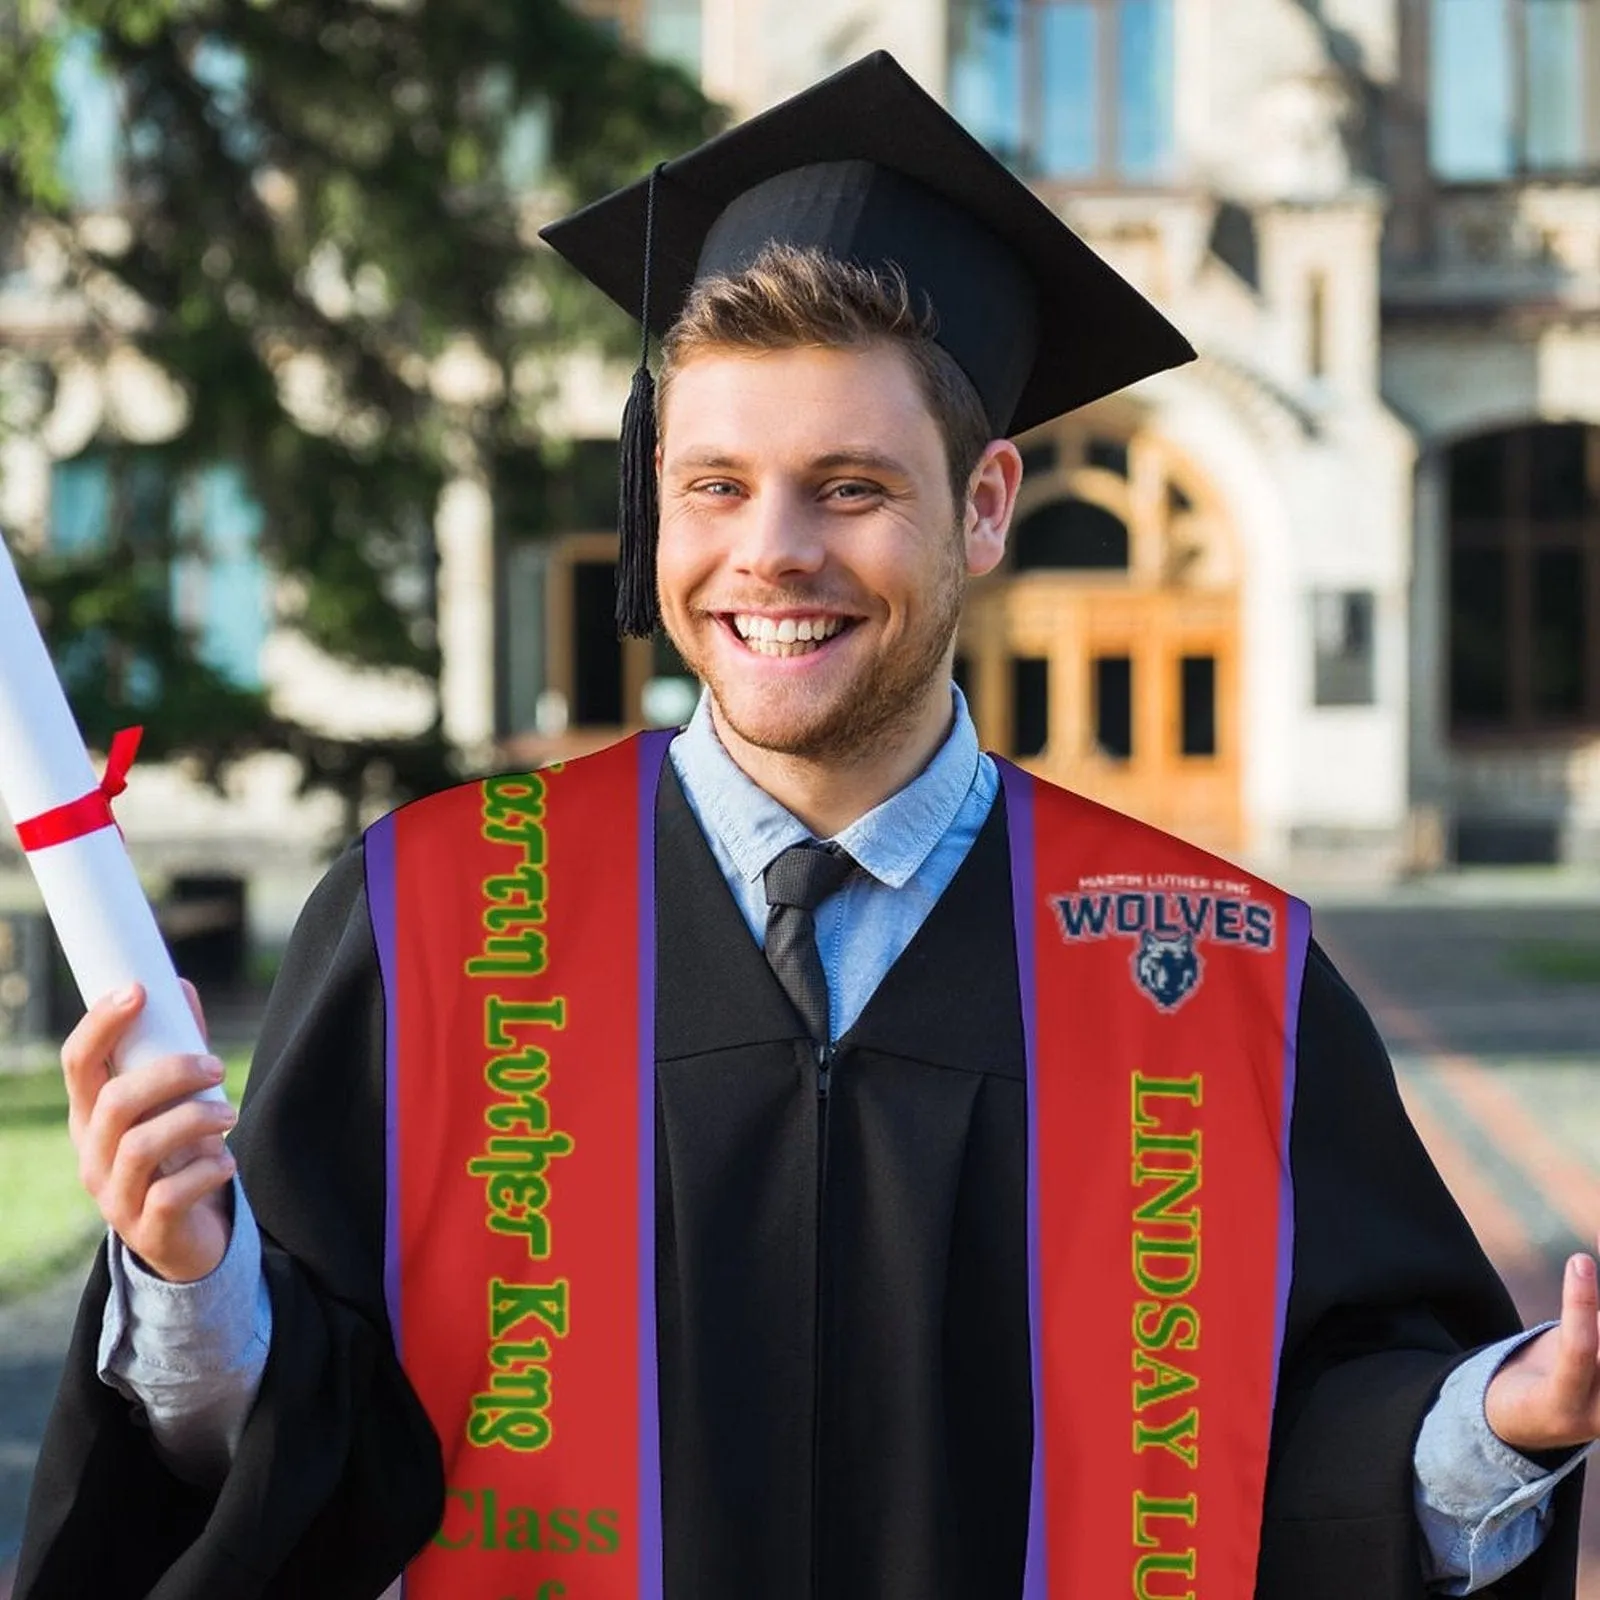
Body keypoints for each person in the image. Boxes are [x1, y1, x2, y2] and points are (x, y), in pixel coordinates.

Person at [12, 51, 1598, 1600]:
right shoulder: (439, 920)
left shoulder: (1214, 964)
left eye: (849, 489)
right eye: (712, 487)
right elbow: (309, 1453)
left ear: (985, 506)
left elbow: (1315, 1435)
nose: (768, 555)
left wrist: (1495, 1427)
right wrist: (187, 1282)